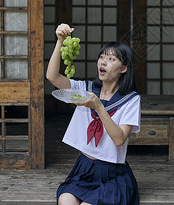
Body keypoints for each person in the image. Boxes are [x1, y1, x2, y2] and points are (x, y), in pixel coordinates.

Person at [46, 23, 141, 205]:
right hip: (84, 169)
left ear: (124, 68)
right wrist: (60, 41)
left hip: (112, 174)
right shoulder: (85, 89)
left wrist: (98, 106)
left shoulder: (131, 100)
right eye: (101, 57)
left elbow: (119, 139)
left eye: (111, 59)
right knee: (65, 200)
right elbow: (53, 77)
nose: (103, 62)